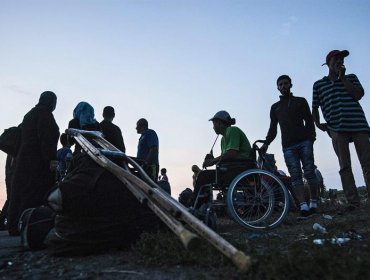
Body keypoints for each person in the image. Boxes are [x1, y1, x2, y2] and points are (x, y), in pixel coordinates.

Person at [312, 49, 370, 210]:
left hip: (358, 125)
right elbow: (314, 107)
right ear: (328, 62)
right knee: (344, 166)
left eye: (341, 59)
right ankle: (353, 203)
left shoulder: (351, 78)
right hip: (336, 128)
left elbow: (358, 95)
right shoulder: (319, 85)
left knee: (367, 163)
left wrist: (342, 78)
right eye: (336, 59)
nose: (340, 61)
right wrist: (318, 124)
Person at [261, 75, 319, 218]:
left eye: (285, 83)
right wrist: (266, 143)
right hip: (288, 146)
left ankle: (314, 202)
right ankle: (303, 206)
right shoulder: (275, 107)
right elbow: (273, 129)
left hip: (304, 141)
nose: (283, 86)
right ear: (277, 88)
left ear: (290, 85)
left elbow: (309, 120)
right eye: (280, 84)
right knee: (295, 176)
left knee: (310, 171)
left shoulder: (300, 101)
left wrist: (311, 137)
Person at [7, 91, 60, 235]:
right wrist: (51, 160)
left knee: (19, 194)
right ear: (51, 102)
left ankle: (13, 225)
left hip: (23, 161)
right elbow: (47, 140)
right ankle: (31, 227)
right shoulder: (46, 115)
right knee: (35, 195)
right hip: (38, 164)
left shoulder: (29, 114)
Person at [193, 110, 253, 208]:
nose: (213, 127)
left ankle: (196, 207)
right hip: (234, 169)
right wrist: (213, 160)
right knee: (205, 176)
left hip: (240, 170)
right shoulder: (222, 139)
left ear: (220, 123)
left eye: (214, 124)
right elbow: (225, 159)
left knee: (203, 176)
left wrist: (211, 161)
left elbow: (232, 154)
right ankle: (200, 207)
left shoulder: (232, 130)